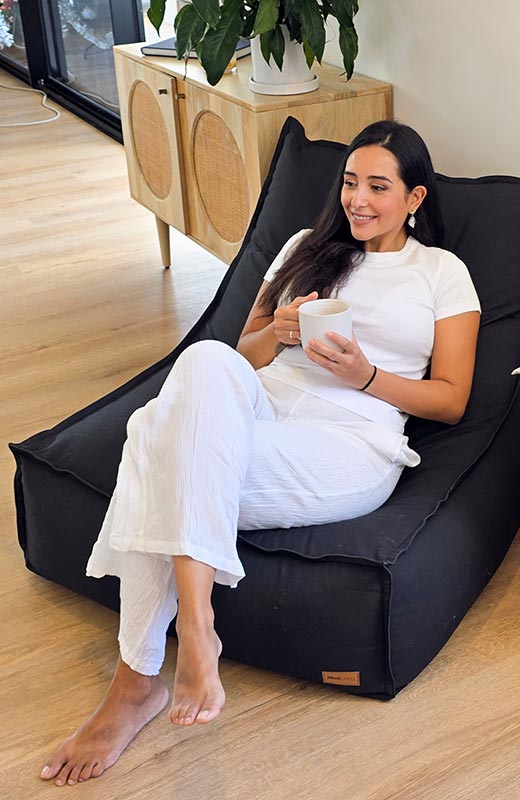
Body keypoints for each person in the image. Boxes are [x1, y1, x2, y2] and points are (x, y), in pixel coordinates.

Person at [40, 120, 481, 786]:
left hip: (351, 435)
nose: (358, 200)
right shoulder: (309, 248)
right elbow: (237, 358)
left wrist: (364, 375)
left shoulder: (442, 275)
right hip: (256, 402)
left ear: (415, 198)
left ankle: (135, 683)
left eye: (379, 187)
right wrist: (274, 332)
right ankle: (197, 627)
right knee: (207, 359)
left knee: (155, 445)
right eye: (351, 182)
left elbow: (450, 400)